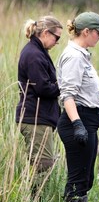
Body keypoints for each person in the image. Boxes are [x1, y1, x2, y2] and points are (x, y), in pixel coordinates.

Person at [57, 12, 99, 202]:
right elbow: (67, 94)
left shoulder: (83, 54)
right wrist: (77, 124)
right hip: (77, 120)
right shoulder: (74, 56)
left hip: (88, 116)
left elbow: (81, 90)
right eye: (98, 33)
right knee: (78, 176)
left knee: (87, 176)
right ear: (87, 32)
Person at [16, 16, 63, 174]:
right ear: (45, 33)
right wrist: (65, 86)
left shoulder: (38, 51)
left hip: (40, 118)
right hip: (35, 119)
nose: (57, 42)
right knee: (43, 166)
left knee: (43, 165)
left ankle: (37, 197)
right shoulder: (34, 55)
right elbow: (43, 88)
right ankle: (36, 199)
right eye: (56, 38)